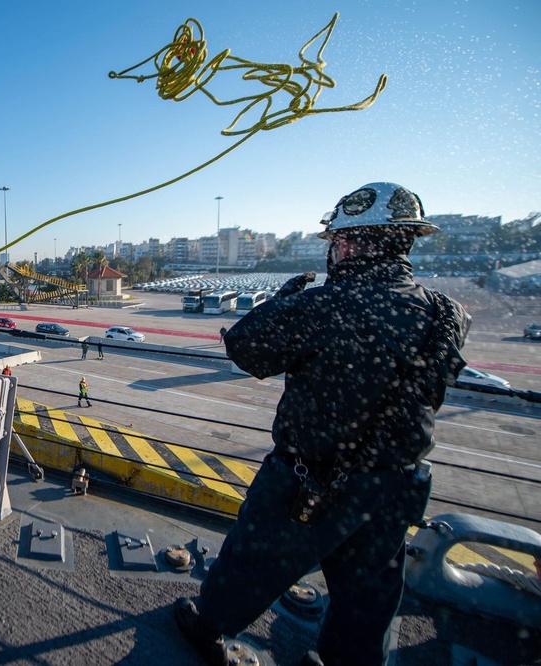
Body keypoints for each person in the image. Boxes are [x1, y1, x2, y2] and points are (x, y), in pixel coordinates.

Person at [173, 183, 471, 666]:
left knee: (253, 561)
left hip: (311, 480)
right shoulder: (447, 312)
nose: (335, 251)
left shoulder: (324, 306)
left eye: (336, 242)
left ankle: (209, 626)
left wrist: (281, 301)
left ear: (350, 244)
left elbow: (245, 347)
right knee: (369, 595)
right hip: (396, 484)